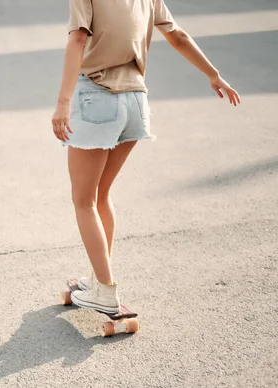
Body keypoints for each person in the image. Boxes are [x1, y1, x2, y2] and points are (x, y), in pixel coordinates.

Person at [51, 0, 240, 313]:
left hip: (98, 98)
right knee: (101, 195)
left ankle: (106, 292)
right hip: (136, 103)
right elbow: (176, 34)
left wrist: (63, 103)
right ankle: (101, 282)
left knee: (84, 200)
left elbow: (78, 38)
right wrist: (214, 74)